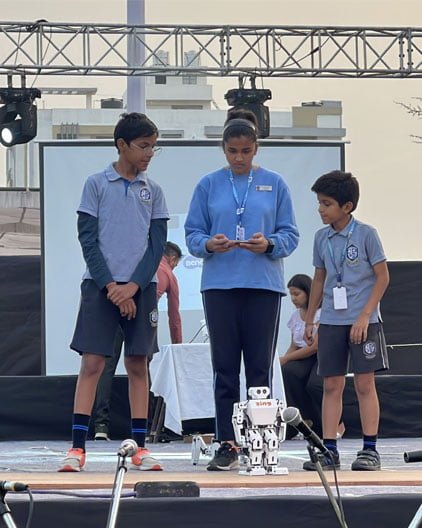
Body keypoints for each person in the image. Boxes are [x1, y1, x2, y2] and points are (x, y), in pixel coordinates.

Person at [184, 108, 299, 471]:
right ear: (223, 148)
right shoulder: (207, 185)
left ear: (256, 148)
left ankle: (259, 443)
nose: (239, 158)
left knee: (259, 371)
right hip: (219, 285)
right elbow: (192, 234)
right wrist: (208, 245)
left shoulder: (275, 184)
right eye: (232, 151)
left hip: (263, 286)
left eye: (245, 151)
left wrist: (269, 245)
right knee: (224, 368)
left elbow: (290, 234)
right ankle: (227, 443)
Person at [58, 112, 169, 472]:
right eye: (143, 146)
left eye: (154, 146)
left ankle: (139, 447)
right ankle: (77, 448)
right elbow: (87, 241)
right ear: (122, 145)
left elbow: (157, 246)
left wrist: (134, 286)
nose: (149, 153)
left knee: (138, 364)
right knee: (92, 363)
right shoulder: (96, 183)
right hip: (99, 287)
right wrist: (112, 287)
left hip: (142, 287)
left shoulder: (154, 190)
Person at [302, 170, 389, 472]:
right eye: (319, 203)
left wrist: (365, 315)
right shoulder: (321, 238)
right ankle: (329, 449)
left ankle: (370, 449)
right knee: (331, 384)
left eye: (326, 204)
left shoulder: (366, 234)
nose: (320, 209)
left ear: (347, 207)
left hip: (363, 322)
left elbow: (383, 277)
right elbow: (319, 278)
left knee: (365, 384)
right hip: (332, 322)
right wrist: (311, 317)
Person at [93, 241, 183, 441]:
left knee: (106, 368)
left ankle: (101, 426)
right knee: (143, 371)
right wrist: (179, 346)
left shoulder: (140, 262)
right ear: (173, 259)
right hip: (143, 317)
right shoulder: (168, 274)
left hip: (115, 312)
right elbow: (174, 315)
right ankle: (147, 426)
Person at [281, 274, 345, 440]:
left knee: (314, 384)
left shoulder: (321, 314)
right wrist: (281, 362)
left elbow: (314, 346)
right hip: (304, 356)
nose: (293, 299)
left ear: (308, 292)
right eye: (291, 295)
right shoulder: (295, 316)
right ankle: (299, 421)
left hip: (321, 354)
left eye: (297, 294)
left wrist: (287, 358)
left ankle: (334, 423)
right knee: (287, 373)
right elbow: (294, 344)